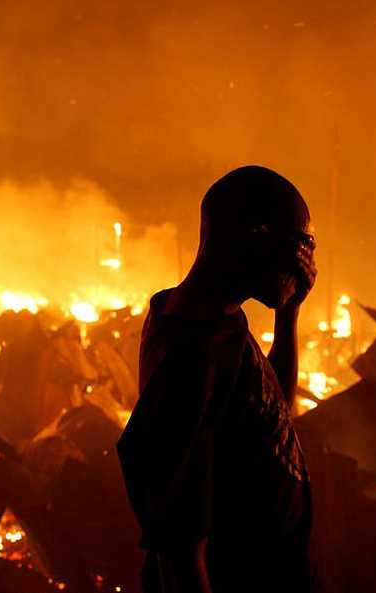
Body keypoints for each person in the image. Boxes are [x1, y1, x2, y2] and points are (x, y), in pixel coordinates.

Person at [116, 165, 318, 593]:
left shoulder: (222, 323)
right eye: (299, 243)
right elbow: (180, 553)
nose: (305, 262)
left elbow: (276, 406)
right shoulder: (193, 354)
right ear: (255, 235)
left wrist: (288, 313)